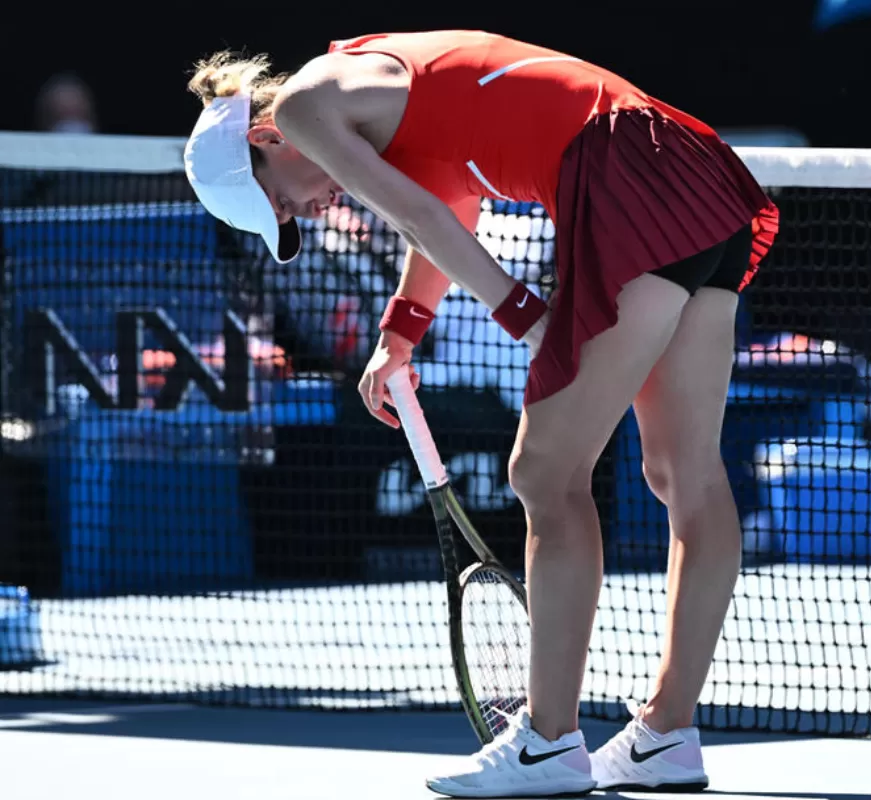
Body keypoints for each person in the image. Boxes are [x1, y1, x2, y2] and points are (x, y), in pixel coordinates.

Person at [183, 30, 778, 798]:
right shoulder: (375, 90)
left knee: (544, 470)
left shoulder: (302, 106)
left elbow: (423, 217)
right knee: (682, 471)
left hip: (626, 172)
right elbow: (447, 201)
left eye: (279, 197)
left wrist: (523, 315)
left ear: (268, 139)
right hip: (691, 169)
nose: (303, 209)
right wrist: (401, 333)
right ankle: (667, 734)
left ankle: (548, 744)